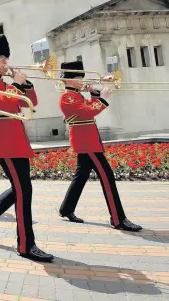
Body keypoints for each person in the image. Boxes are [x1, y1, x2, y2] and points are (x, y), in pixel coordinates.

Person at [0, 35, 53, 262]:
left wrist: (25, 83)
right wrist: (16, 84)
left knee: (22, 189)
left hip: (16, 141)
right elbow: (5, 102)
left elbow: (31, 102)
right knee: (23, 190)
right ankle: (26, 245)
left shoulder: (4, 83)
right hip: (3, 143)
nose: (6, 63)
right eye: (1, 59)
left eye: (7, 58)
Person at [57, 61, 142, 232]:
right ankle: (118, 219)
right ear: (69, 80)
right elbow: (88, 111)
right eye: (78, 77)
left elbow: (88, 108)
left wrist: (99, 89)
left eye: (81, 77)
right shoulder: (68, 97)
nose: (81, 80)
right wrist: (102, 97)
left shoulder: (77, 95)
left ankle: (66, 209)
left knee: (81, 176)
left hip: (88, 140)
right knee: (107, 177)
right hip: (86, 142)